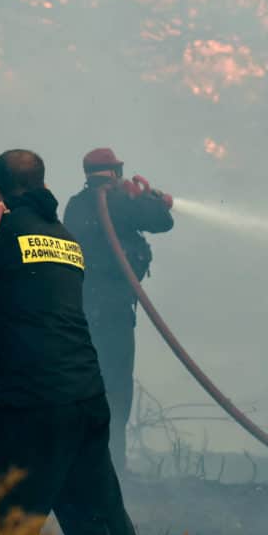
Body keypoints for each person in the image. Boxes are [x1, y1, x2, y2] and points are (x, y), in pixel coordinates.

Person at [0, 149, 137, 535]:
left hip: (29, 411)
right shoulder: (64, 238)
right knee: (101, 527)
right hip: (86, 402)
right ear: (45, 186)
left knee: (1, 528)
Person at [62, 148, 173, 475]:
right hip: (113, 314)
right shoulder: (120, 202)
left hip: (80, 312)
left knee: (83, 387)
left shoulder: (75, 205)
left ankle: (79, 464)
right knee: (115, 388)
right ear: (114, 172)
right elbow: (163, 221)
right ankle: (112, 469)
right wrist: (149, 198)